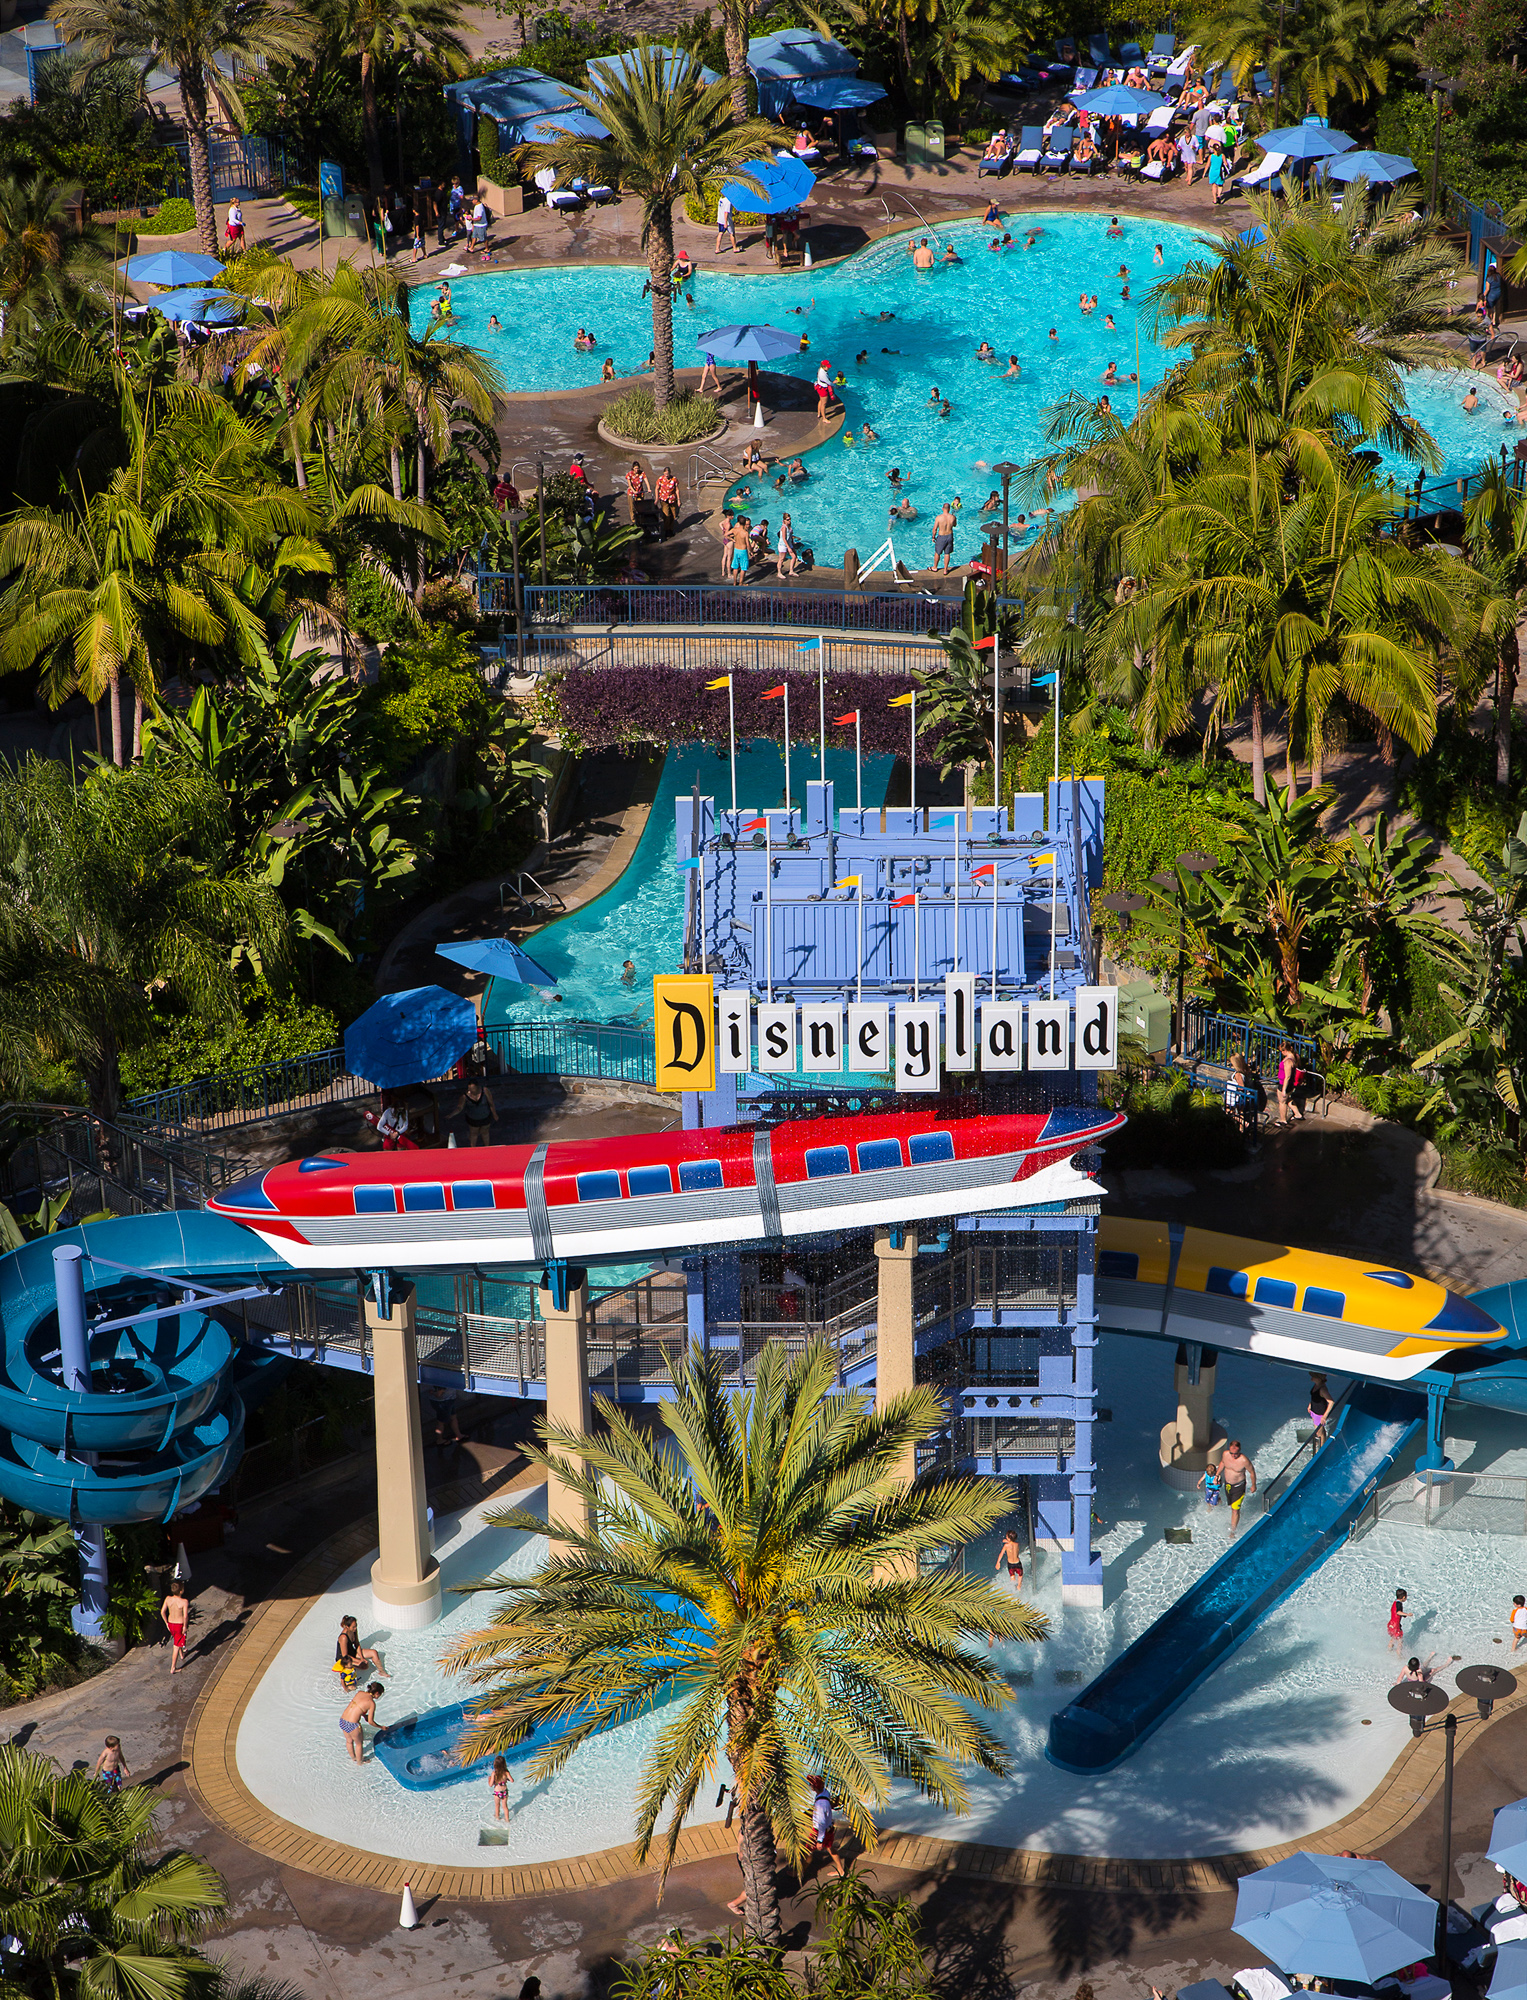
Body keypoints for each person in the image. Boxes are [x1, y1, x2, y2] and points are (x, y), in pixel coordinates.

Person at [804, 1775, 846, 1879]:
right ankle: (841, 1871)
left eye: (810, 1785)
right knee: (831, 1849)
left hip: (820, 1831)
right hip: (829, 1828)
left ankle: (799, 1873)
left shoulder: (820, 1804)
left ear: (814, 1787)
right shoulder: (825, 1793)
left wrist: (819, 1841)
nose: (810, 1786)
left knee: (808, 1851)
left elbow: (821, 1823)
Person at [339, 1682, 385, 1764]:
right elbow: (371, 1722)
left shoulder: (360, 1693)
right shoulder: (371, 1703)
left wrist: (364, 1715)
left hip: (342, 1720)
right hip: (353, 1725)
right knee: (359, 1744)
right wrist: (381, 1727)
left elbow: (357, 1707)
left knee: (349, 1741)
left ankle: (353, 1758)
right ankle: (360, 1762)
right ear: (377, 1693)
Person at [335, 1614, 388, 1681]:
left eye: (356, 1626)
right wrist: (359, 1661)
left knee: (374, 1652)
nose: (355, 1628)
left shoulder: (353, 1630)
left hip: (352, 1652)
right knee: (364, 1666)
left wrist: (362, 1658)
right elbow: (345, 1656)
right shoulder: (343, 1637)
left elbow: (357, 1644)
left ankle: (382, 1672)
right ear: (347, 1627)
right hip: (344, 1659)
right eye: (353, 1627)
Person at [1218, 1440, 1255, 1533]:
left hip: (1239, 1487)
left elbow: (1252, 1472)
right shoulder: (1226, 1454)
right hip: (1228, 1485)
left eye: (1236, 1453)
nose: (1234, 1455)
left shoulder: (1244, 1460)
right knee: (1231, 1505)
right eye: (1232, 1453)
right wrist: (1217, 1474)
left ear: (1240, 1450)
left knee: (1235, 1510)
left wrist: (1253, 1485)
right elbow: (1222, 1463)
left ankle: (1232, 1531)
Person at [453, 1075, 496, 1145]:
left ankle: (487, 1148)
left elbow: (491, 1103)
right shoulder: (465, 1096)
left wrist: (494, 1114)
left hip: (485, 1117)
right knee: (473, 1134)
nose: (471, 1091)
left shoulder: (485, 1091)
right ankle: (473, 1149)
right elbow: (460, 1107)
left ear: (477, 1087)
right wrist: (451, 1114)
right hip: (473, 1119)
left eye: (473, 1089)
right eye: (469, 1089)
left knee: (485, 1133)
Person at [161, 1582, 189, 1673]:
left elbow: (162, 1612)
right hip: (179, 1625)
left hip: (171, 1624)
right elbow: (185, 1616)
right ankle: (173, 1668)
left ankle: (182, 1655)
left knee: (177, 1640)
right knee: (176, 1646)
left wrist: (166, 1623)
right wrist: (185, 1626)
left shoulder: (168, 1599)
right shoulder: (184, 1602)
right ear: (181, 1591)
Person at [1276, 1042, 1306, 1125]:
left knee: (1282, 1102)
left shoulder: (1288, 1061)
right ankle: (1298, 1114)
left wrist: (1284, 1090)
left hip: (1284, 1084)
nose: (1281, 1053)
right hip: (1290, 1084)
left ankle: (1283, 1120)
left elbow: (1287, 1077)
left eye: (1282, 1051)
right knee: (1287, 1099)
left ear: (1285, 1050)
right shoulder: (1294, 1057)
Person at [931, 500, 956, 574]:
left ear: (942, 508)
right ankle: (945, 570)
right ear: (949, 509)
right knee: (947, 553)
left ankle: (935, 567)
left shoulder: (939, 518)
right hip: (950, 535)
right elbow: (954, 525)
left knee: (937, 553)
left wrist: (933, 537)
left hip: (941, 536)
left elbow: (935, 529)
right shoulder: (953, 517)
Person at [654, 465, 679, 537]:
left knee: (673, 515)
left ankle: (671, 529)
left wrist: (679, 500)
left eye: (667, 474)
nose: (666, 476)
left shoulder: (674, 479)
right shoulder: (660, 479)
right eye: (665, 474)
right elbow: (657, 488)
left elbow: (677, 490)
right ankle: (667, 530)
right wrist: (657, 498)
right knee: (667, 515)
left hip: (672, 499)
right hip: (664, 499)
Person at [624, 459, 650, 529]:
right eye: (635, 468)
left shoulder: (642, 473)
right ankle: (633, 520)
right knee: (632, 507)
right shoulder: (629, 474)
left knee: (640, 506)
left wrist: (649, 488)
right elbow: (629, 484)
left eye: (638, 468)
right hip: (632, 493)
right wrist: (633, 491)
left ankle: (640, 519)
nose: (637, 470)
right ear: (633, 468)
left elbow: (646, 481)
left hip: (639, 492)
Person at [490, 1754, 513, 1820]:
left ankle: (497, 1818)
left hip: (497, 1792)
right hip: (504, 1792)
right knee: (505, 1806)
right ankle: (507, 1820)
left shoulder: (494, 1773)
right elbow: (512, 1780)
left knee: (497, 1806)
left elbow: (491, 1784)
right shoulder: (506, 1772)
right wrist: (506, 1779)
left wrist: (489, 1779)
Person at [1387, 1587, 1409, 1652]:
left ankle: (1388, 1651)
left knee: (1393, 1639)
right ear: (1404, 1597)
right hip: (1396, 1626)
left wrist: (1403, 1615)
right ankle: (1399, 1656)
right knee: (1400, 1641)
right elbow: (1398, 1612)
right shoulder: (1399, 1604)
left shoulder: (1395, 1602)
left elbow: (1395, 1612)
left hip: (1391, 1624)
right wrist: (1407, 1614)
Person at [777, 512, 798, 579]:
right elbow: (784, 538)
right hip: (783, 545)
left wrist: (792, 544)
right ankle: (779, 573)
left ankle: (791, 571)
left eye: (790, 519)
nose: (789, 521)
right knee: (781, 559)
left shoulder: (789, 526)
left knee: (794, 556)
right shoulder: (784, 527)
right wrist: (788, 547)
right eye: (788, 520)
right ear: (784, 520)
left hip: (789, 544)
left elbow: (790, 536)